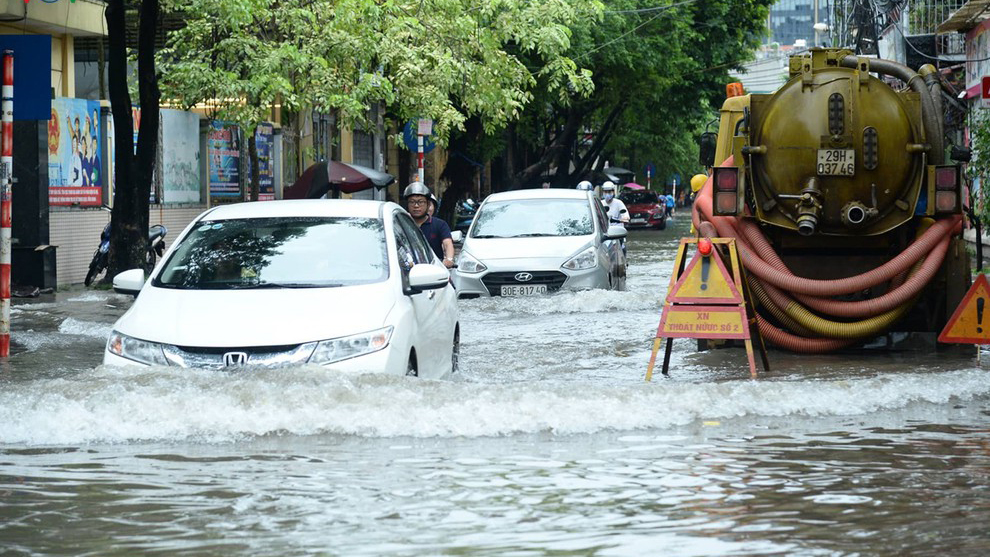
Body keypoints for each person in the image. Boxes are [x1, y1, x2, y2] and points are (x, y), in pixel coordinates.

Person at [404, 182, 455, 268]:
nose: (416, 206)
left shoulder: (439, 225)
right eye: (412, 202)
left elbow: (447, 244)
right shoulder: (401, 224)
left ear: (428, 204)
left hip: (435, 270)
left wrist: (449, 259)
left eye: (420, 202)